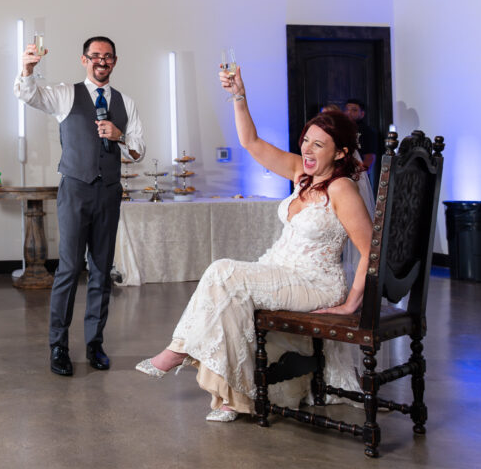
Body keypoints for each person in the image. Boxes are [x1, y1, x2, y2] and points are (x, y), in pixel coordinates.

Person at [135, 65, 372, 421]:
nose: (307, 148)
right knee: (227, 292)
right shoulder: (302, 173)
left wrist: (352, 304)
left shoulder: (342, 188)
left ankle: (179, 350)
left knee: (224, 272)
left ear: (340, 153)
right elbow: (251, 143)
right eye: (305, 139)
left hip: (317, 284)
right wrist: (238, 96)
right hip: (281, 270)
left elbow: (371, 249)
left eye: (318, 144)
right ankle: (230, 398)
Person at [15, 36, 145, 376]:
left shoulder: (126, 103)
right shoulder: (65, 94)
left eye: (108, 57)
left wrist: (120, 136)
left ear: (114, 61)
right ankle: (58, 345)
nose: (101, 61)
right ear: (84, 60)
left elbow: (138, 151)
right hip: (75, 189)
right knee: (70, 269)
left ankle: (94, 344)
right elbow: (29, 94)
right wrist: (28, 68)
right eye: (95, 56)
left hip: (109, 193)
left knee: (101, 270)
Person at [344, 98, 379, 191]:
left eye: (354, 110)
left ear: (362, 114)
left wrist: (361, 175)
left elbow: (370, 157)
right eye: (347, 109)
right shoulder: (341, 129)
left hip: (358, 175)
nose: (349, 112)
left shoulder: (368, 132)